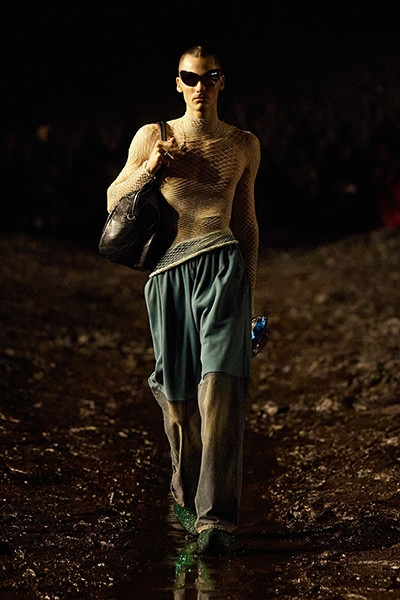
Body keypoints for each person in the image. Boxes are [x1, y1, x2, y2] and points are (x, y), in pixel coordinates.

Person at [107, 45, 260, 555]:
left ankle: (216, 520)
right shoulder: (154, 135)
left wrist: (250, 297)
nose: (200, 87)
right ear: (177, 82)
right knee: (178, 400)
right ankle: (186, 492)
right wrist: (151, 167)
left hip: (223, 265)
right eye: (190, 78)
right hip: (168, 273)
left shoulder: (242, 144)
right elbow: (114, 200)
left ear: (222, 82)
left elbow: (246, 223)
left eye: (209, 77)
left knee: (222, 387)